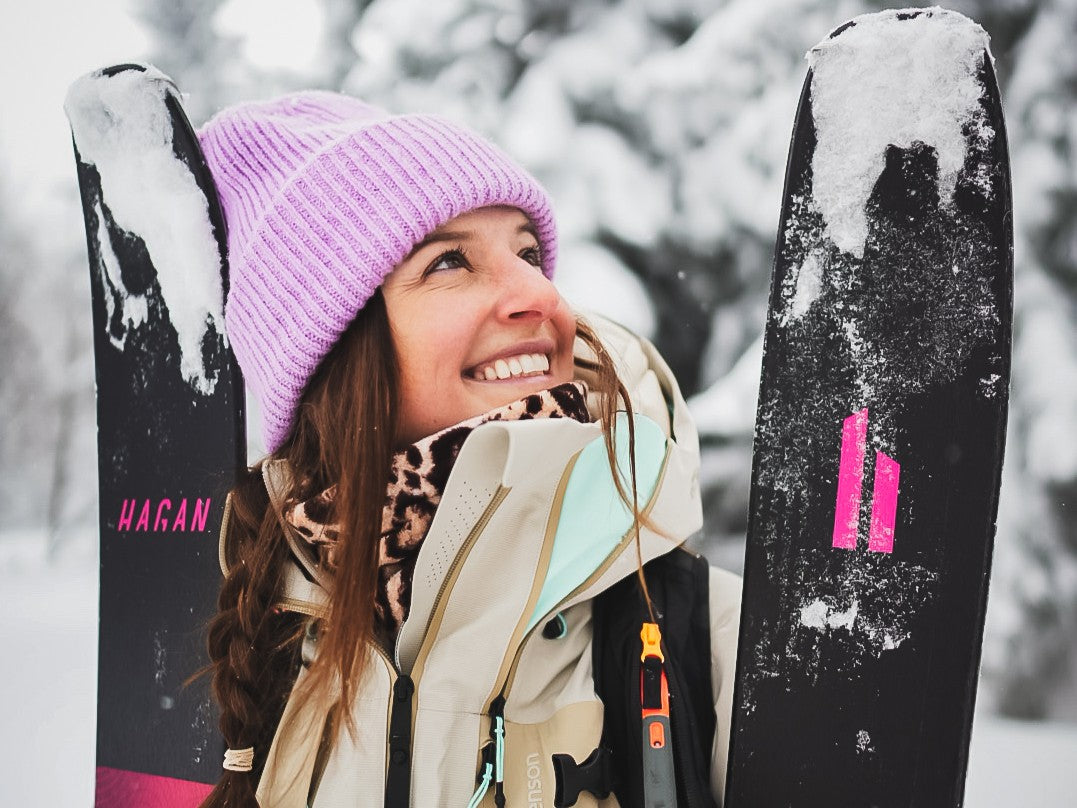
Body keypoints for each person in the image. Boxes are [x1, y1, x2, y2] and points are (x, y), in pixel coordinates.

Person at [195, 90, 740, 808]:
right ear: (333, 354)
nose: (541, 295)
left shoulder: (717, 642)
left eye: (529, 253)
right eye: (450, 261)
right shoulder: (267, 647)